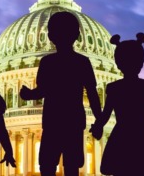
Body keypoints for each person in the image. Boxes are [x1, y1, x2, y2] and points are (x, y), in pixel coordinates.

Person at [20, 11, 101, 176]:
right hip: (73, 119)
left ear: (51, 36)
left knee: (47, 165)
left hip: (53, 119)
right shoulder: (82, 62)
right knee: (72, 166)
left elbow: (42, 90)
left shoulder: (48, 62)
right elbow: (92, 93)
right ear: (77, 35)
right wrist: (99, 121)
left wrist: (28, 95)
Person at [90, 33, 144, 176]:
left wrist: (98, 126)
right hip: (143, 134)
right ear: (141, 62)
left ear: (118, 63)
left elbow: (105, 115)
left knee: (121, 170)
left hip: (122, 134)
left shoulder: (114, 88)